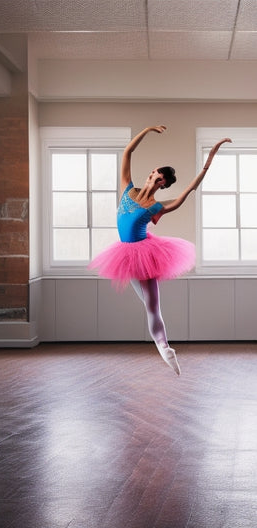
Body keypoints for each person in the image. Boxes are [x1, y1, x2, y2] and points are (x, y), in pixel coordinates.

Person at [89, 125, 231, 375]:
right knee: (147, 303)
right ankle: (163, 345)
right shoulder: (127, 189)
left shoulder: (156, 207)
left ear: (162, 183)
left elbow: (187, 192)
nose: (152, 175)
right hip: (124, 254)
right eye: (153, 171)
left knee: (153, 306)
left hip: (144, 254)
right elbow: (127, 152)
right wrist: (147, 130)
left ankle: (165, 349)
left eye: (157, 175)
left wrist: (209, 160)